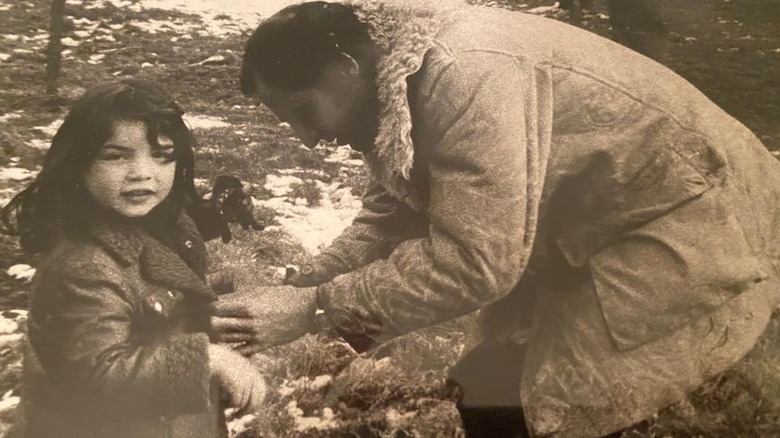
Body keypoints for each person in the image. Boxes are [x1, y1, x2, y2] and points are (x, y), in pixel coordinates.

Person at [212, 1, 780, 437]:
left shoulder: (465, 75)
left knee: (560, 406)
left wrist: (316, 308)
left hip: (682, 211)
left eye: (304, 112)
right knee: (486, 386)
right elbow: (391, 214)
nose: (308, 139)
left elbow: (474, 264)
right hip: (583, 221)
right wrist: (305, 282)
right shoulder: (392, 75)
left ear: (344, 67)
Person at [1, 79, 267, 438]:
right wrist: (208, 360)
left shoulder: (160, 224)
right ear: (78, 164)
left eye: (161, 155)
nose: (142, 172)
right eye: (116, 156)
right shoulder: (83, 264)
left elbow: (150, 297)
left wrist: (197, 317)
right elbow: (97, 374)